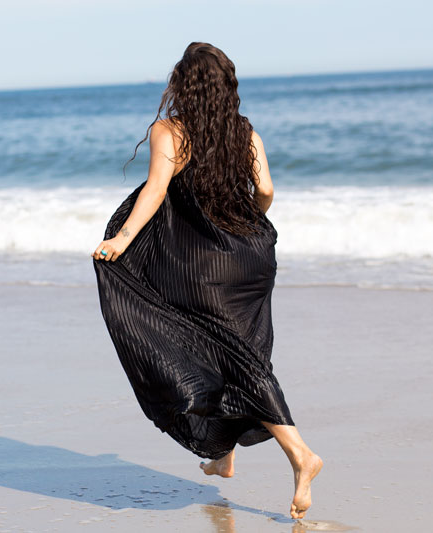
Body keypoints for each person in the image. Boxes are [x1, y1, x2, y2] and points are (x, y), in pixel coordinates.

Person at [91, 42, 322, 520]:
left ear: (182, 84)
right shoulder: (244, 132)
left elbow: (156, 190)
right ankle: (221, 453)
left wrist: (122, 238)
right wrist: (241, 229)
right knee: (237, 354)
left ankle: (301, 454)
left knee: (225, 356)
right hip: (252, 259)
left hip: (205, 268)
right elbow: (265, 192)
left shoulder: (169, 130)